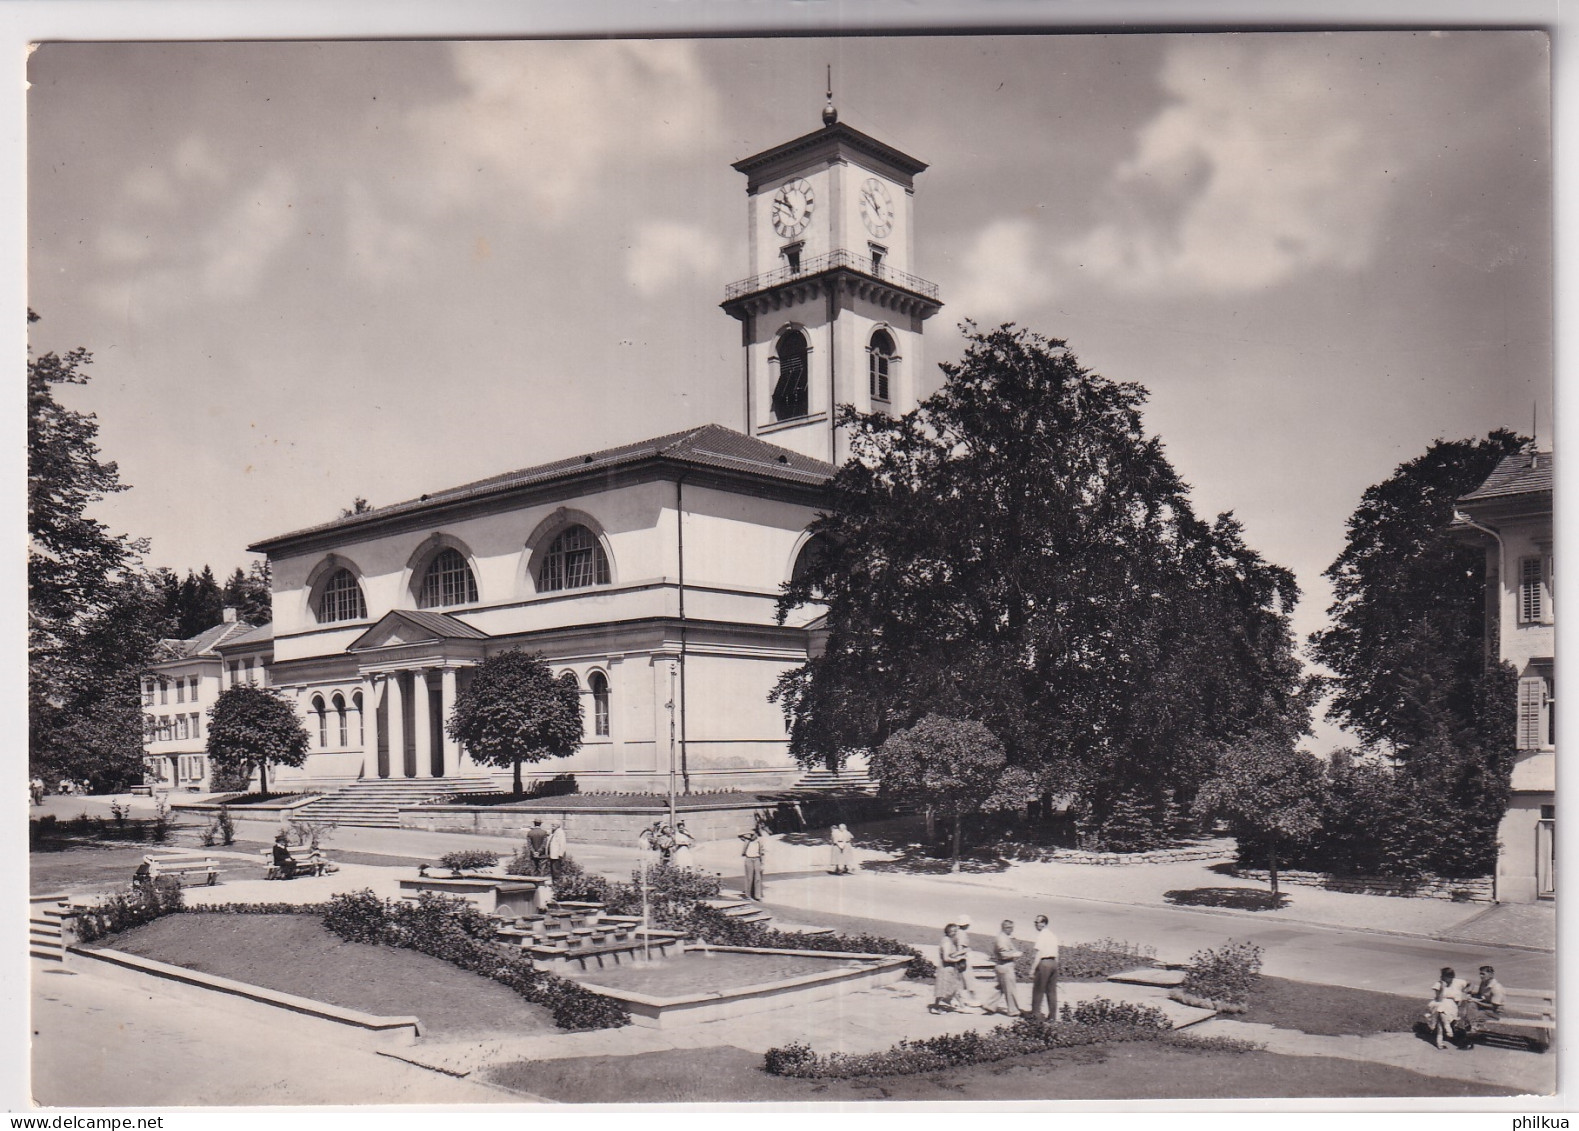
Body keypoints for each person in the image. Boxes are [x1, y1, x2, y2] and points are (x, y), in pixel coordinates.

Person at [983, 919, 1025, 1016]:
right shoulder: (1002, 938)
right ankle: (1013, 1011)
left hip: (1002, 966)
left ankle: (989, 1005)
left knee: (1001, 988)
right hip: (1005, 965)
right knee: (1010, 989)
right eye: (1011, 928)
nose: (1012, 930)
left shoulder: (1003, 937)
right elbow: (1004, 954)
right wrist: (1016, 954)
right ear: (1006, 928)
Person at [1458, 965, 1506, 1045]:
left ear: (1491, 974)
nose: (1480, 976)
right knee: (1470, 1005)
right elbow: (1479, 996)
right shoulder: (1484, 983)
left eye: (1483, 974)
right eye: (1480, 974)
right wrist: (1469, 993)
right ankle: (1471, 1030)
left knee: (1472, 1012)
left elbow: (1494, 1006)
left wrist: (1476, 1002)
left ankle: (1469, 1036)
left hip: (1495, 1011)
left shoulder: (1496, 988)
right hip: (1484, 1007)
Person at [931, 923, 968, 1013]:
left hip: (948, 968)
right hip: (946, 969)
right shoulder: (947, 942)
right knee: (944, 989)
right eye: (953, 931)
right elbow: (946, 958)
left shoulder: (948, 940)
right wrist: (958, 959)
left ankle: (962, 1006)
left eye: (956, 931)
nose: (955, 933)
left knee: (952, 988)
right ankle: (935, 1008)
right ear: (948, 932)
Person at [1029, 913, 1060, 1020]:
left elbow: (1039, 953)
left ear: (1043, 923)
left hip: (1045, 963)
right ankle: (1052, 1017)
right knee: (1051, 991)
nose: (1035, 924)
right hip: (1054, 963)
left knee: (1038, 990)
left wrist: (1032, 970)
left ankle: (1035, 1015)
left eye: (1036, 922)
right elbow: (1057, 954)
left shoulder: (1042, 935)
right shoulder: (1052, 935)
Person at [741, 829, 765, 900]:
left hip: (757, 859)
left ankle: (757, 895)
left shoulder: (759, 841)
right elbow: (739, 835)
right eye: (750, 835)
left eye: (753, 834)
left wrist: (762, 863)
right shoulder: (747, 841)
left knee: (758, 878)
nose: (751, 836)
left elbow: (762, 853)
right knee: (749, 877)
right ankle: (748, 895)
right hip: (749, 859)